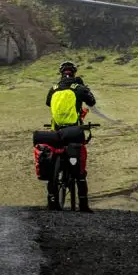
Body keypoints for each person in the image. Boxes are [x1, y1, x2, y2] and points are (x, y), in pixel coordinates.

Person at [45, 61, 97, 212]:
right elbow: (92, 101)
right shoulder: (78, 87)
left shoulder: (53, 89)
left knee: (53, 157)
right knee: (80, 169)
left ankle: (51, 198)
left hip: (56, 131)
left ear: (61, 74)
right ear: (74, 73)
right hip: (73, 131)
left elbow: (48, 103)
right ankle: (83, 205)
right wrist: (84, 87)